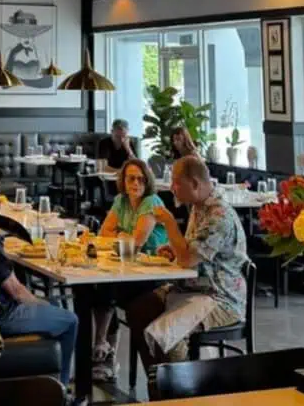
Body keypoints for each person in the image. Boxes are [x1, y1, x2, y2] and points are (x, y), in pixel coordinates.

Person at [127, 156, 248, 368]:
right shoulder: (197, 206)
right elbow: (190, 252)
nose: (172, 187)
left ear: (194, 183)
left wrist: (170, 223)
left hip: (219, 296)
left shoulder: (219, 215)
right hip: (191, 288)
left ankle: (180, 394)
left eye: (176, 182)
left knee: (165, 337)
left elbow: (188, 260)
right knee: (138, 311)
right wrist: (173, 249)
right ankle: (158, 386)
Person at [91, 159, 170, 380]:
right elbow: (104, 233)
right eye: (130, 178)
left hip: (153, 273)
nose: (135, 183)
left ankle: (102, 349)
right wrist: (123, 238)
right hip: (125, 267)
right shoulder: (121, 201)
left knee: (107, 289)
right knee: (100, 287)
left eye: (140, 179)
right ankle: (104, 349)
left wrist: (122, 237)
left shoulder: (151, 202)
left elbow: (137, 243)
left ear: (147, 182)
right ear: (123, 181)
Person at [0, 228, 77, 386]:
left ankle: (43, 382)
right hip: (3, 318)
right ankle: (61, 388)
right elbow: (18, 293)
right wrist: (43, 303)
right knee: (70, 320)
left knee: (54, 305)